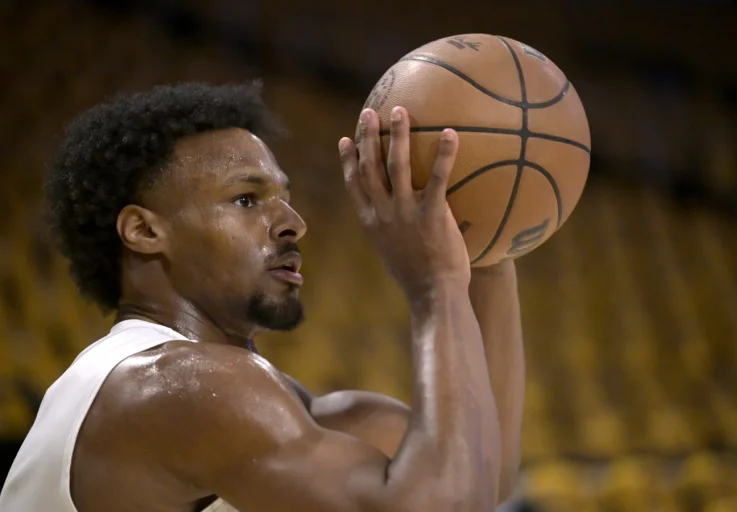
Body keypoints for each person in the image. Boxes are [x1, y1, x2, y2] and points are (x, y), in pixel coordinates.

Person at [0, 82, 525, 512]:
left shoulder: (255, 401)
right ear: (142, 230)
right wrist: (436, 287)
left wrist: (492, 253)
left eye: (286, 200)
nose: (293, 224)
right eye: (246, 199)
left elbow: (482, 475)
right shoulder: (173, 384)